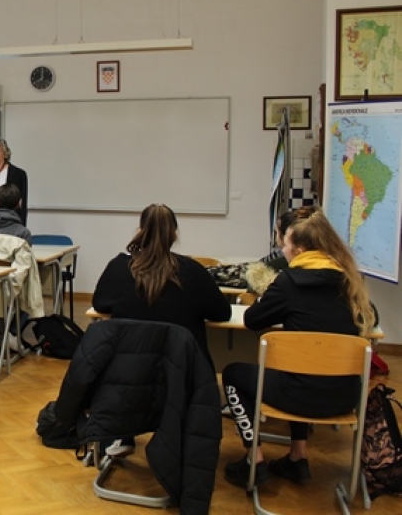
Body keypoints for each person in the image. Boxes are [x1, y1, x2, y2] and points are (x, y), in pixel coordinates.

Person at [221, 208, 376, 488]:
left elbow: (253, 320)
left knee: (233, 374)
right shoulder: (350, 282)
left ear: (301, 249)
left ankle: (253, 461)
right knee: (302, 369)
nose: (283, 250)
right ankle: (297, 457)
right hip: (345, 396)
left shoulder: (289, 283)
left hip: (296, 393)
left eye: (286, 245)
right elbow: (368, 319)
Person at [92, 203, 231, 456]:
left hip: (128, 381)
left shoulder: (119, 268)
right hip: (182, 381)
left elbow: (99, 303)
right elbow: (223, 313)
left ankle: (123, 435)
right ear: (175, 233)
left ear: (141, 230)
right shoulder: (193, 272)